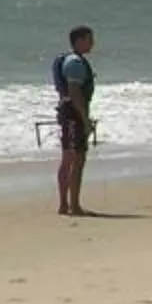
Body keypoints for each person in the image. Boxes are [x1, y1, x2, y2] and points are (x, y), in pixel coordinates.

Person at [52, 26, 98, 215]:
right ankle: (73, 205)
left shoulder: (69, 60)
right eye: (89, 39)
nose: (92, 43)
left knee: (69, 158)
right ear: (79, 40)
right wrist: (85, 119)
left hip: (68, 113)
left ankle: (66, 204)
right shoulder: (75, 62)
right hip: (73, 115)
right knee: (76, 159)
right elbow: (75, 93)